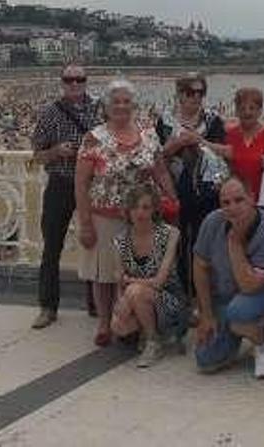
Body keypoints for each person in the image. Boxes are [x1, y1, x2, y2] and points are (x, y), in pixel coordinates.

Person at [76, 79, 176, 347]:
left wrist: (173, 198)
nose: (121, 106)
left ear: (133, 105)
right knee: (104, 275)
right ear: (106, 107)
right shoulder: (93, 138)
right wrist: (85, 223)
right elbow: (81, 183)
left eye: (126, 101)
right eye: (115, 101)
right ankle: (104, 323)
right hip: (103, 216)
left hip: (141, 219)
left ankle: (134, 324)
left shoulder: (148, 134)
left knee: (138, 272)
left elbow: (160, 170)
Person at [192, 177, 264, 379]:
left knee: (238, 312)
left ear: (252, 198)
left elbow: (249, 286)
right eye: (225, 203)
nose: (232, 208)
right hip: (225, 294)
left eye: (239, 200)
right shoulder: (212, 222)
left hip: (263, 292)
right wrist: (206, 315)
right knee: (205, 359)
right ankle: (238, 329)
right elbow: (200, 266)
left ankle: (262, 343)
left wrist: (234, 243)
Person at [31, 63, 100, 329]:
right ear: (62, 82)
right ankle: (48, 307)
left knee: (95, 242)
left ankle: (96, 304)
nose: (74, 84)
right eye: (69, 80)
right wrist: (57, 151)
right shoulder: (50, 112)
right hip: (60, 183)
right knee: (51, 247)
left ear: (85, 81)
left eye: (79, 79)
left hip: (93, 185)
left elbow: (112, 141)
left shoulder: (99, 108)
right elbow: (37, 155)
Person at [156, 73, 230, 294]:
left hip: (206, 191)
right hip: (174, 190)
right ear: (179, 94)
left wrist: (199, 141)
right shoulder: (165, 120)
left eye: (200, 92)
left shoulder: (212, 120)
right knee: (176, 243)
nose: (196, 97)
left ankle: (201, 295)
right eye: (190, 92)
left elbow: (223, 153)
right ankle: (181, 293)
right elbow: (156, 157)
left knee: (203, 241)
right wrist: (177, 143)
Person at [110, 185, 188, 368]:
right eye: (135, 207)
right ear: (128, 211)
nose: (140, 213)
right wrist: (121, 300)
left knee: (136, 291)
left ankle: (153, 341)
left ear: (154, 209)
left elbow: (159, 282)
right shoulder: (120, 241)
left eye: (146, 207)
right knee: (119, 325)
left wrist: (128, 282)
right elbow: (118, 282)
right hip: (137, 297)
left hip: (169, 300)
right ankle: (150, 333)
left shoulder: (169, 234)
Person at [225, 87, 264, 200]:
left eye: (252, 108)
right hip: (238, 202)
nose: (247, 112)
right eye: (242, 108)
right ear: (236, 111)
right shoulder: (229, 135)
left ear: (260, 110)